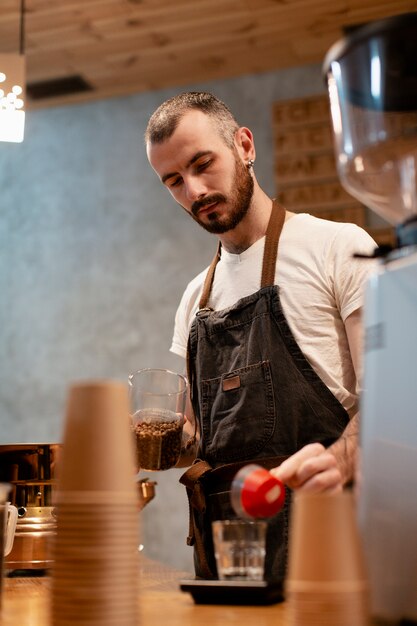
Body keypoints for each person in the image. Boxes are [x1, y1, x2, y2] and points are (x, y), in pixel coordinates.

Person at [145, 91, 376, 582]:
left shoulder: (339, 248)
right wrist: (149, 440)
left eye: (203, 163)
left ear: (245, 146)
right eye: (174, 181)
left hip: (324, 546)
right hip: (224, 554)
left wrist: (339, 461)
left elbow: (395, 403)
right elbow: (196, 438)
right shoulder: (195, 298)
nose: (194, 190)